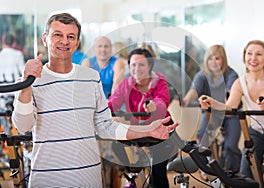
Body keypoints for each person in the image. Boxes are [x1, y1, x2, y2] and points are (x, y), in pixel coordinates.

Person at [11, 13, 179, 188]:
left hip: (88, 177)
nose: (64, 41)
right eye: (57, 34)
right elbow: (23, 126)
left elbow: (105, 125)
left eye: (71, 36)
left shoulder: (91, 77)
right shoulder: (29, 79)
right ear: (45, 39)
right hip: (47, 178)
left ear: (76, 43)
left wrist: (147, 130)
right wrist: (25, 85)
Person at [199, 40, 264, 188]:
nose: (253, 58)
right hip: (257, 132)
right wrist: (212, 103)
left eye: (258, 54)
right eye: (249, 54)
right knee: (245, 173)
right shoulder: (240, 82)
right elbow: (230, 108)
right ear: (244, 57)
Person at [108, 48, 176, 188]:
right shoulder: (126, 85)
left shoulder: (159, 82)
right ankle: (134, 173)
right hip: (138, 131)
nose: (137, 69)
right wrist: (104, 113)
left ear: (149, 66)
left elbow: (162, 102)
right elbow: (112, 104)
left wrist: (153, 106)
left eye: (141, 65)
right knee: (116, 146)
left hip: (161, 129)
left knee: (158, 170)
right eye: (133, 65)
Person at [183, 44, 242, 172]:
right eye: (210, 59)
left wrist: (226, 104)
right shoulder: (202, 75)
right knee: (203, 136)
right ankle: (209, 168)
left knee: (231, 146)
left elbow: (230, 93)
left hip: (230, 113)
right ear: (206, 60)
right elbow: (194, 89)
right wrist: (187, 99)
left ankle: (235, 173)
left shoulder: (231, 74)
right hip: (211, 113)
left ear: (223, 60)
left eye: (217, 58)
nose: (213, 62)